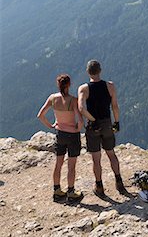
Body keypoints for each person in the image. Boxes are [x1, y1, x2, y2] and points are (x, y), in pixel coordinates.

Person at [78, 60, 126, 196]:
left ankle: (99, 187)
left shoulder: (84, 88)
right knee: (111, 153)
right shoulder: (110, 86)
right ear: (100, 71)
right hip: (107, 124)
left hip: (93, 126)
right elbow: (115, 106)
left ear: (88, 72)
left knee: (96, 158)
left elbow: (81, 108)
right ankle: (119, 182)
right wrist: (116, 122)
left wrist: (92, 119)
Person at [37, 74, 84, 202]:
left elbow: (40, 115)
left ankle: (57, 191)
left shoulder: (52, 99)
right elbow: (80, 121)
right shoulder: (73, 100)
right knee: (71, 166)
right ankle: (71, 192)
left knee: (58, 164)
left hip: (60, 134)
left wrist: (51, 126)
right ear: (69, 85)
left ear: (58, 85)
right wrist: (77, 129)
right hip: (72, 135)